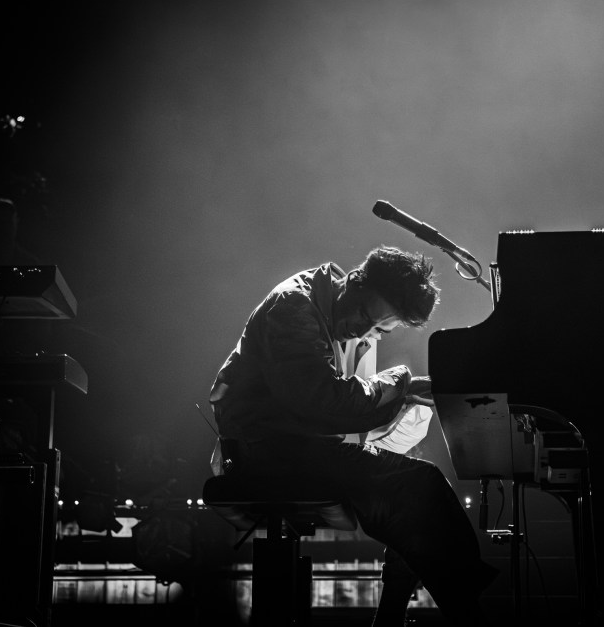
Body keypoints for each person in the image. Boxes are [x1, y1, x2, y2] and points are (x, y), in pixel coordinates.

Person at [206, 245, 498, 626]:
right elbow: (323, 401)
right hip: (263, 450)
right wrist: (398, 382)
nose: (365, 332)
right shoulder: (294, 307)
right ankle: (462, 616)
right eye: (365, 317)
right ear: (353, 281)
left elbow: (347, 417)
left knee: (414, 495)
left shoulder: (349, 329)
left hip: (296, 447)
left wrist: (404, 398)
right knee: (419, 486)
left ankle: (405, 614)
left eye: (379, 329)